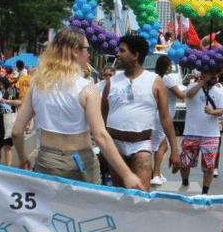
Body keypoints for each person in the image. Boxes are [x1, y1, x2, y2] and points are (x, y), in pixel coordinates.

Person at [10, 29, 144, 190]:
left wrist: (23, 156)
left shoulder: (37, 85)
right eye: (87, 50)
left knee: (50, 212)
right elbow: (100, 136)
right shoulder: (87, 88)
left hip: (46, 159)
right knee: (84, 213)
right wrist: (126, 174)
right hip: (80, 162)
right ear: (75, 51)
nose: (88, 55)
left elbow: (17, 131)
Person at [101, 34, 179, 189]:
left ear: (135, 55)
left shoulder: (155, 81)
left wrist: (175, 151)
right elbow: (102, 117)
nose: (118, 54)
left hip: (141, 146)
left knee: (140, 195)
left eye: (122, 51)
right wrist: (103, 148)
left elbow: (165, 118)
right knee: (119, 196)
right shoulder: (111, 83)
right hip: (115, 146)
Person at [177, 71, 223, 195]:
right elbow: (189, 95)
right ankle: (185, 182)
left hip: (211, 135)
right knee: (184, 163)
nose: (215, 77)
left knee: (209, 166)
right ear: (203, 74)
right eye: (212, 74)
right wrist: (203, 81)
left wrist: (211, 112)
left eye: (216, 75)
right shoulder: (192, 87)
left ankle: (204, 193)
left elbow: (221, 111)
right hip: (191, 132)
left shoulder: (219, 91)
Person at [149, 55, 184, 187]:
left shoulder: (156, 78)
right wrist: (192, 90)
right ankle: (155, 174)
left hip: (159, 115)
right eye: (170, 65)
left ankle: (156, 173)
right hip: (162, 116)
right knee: (160, 146)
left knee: (161, 145)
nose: (170, 67)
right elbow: (180, 95)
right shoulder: (167, 79)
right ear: (167, 66)